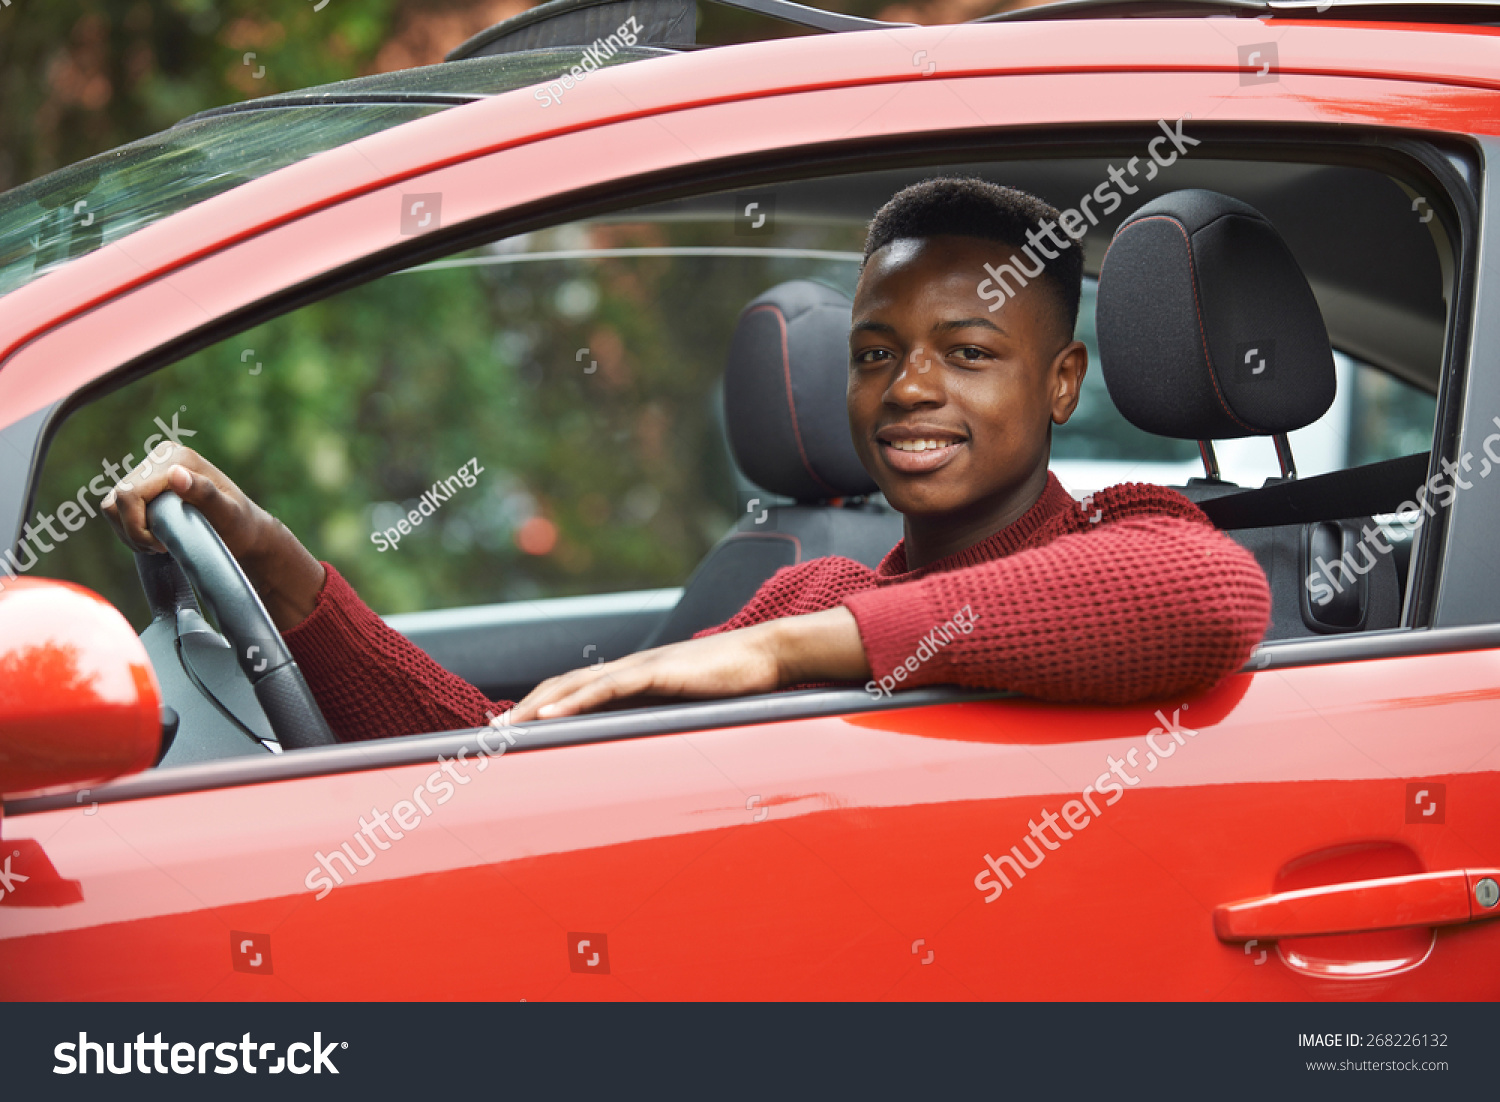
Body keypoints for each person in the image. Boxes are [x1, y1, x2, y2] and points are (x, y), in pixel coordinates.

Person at [103, 178, 1270, 741]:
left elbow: (1212, 599)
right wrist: (271, 556)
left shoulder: (1128, 539)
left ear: (1061, 382)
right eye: (876, 352)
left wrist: (777, 656)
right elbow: (497, 749)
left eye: (967, 352)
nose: (909, 387)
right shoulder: (810, 587)